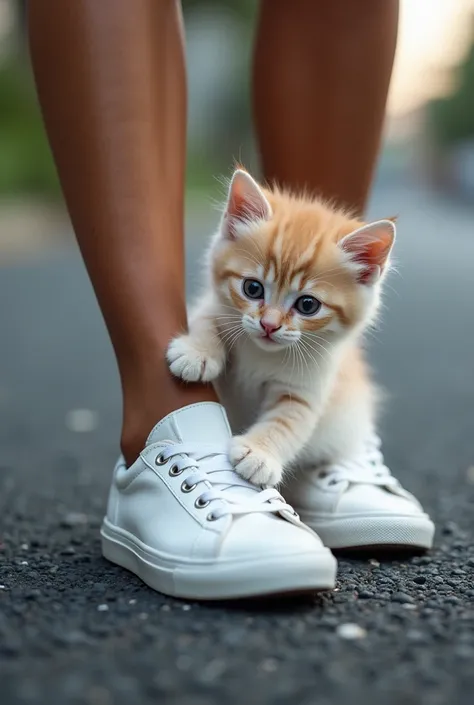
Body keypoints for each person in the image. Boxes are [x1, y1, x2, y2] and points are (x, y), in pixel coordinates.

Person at [28, 0, 431, 601]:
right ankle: (163, 422)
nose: (269, 321)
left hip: (297, 409)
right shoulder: (246, 294)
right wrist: (213, 335)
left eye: (305, 305)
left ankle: (310, 463)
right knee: (200, 340)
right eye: (255, 291)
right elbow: (218, 322)